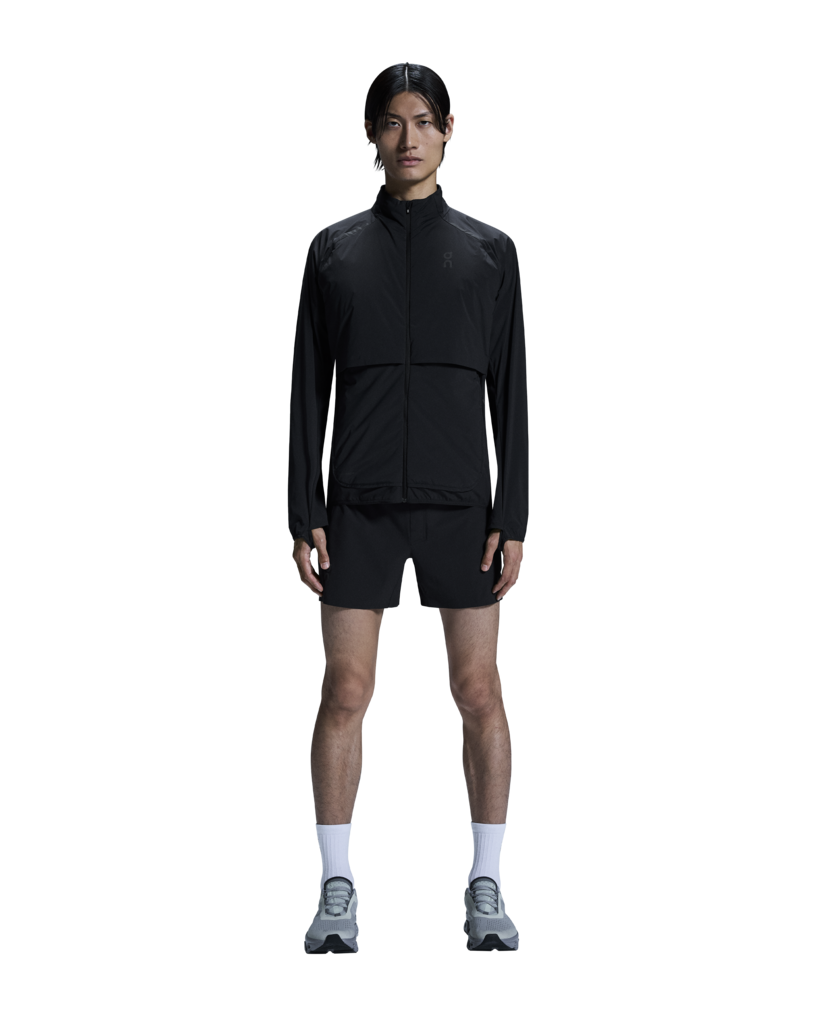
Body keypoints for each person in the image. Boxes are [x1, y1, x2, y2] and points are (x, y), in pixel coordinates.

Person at [288, 63, 529, 953]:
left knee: (478, 690)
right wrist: (302, 507)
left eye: (423, 120)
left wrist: (514, 514)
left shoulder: (491, 250)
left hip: (463, 504)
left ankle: (485, 883)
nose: (408, 138)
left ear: (449, 129)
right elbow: (306, 386)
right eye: (391, 122)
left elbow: (512, 390)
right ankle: (337, 885)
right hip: (354, 504)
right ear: (370, 134)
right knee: (346, 690)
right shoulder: (331, 249)